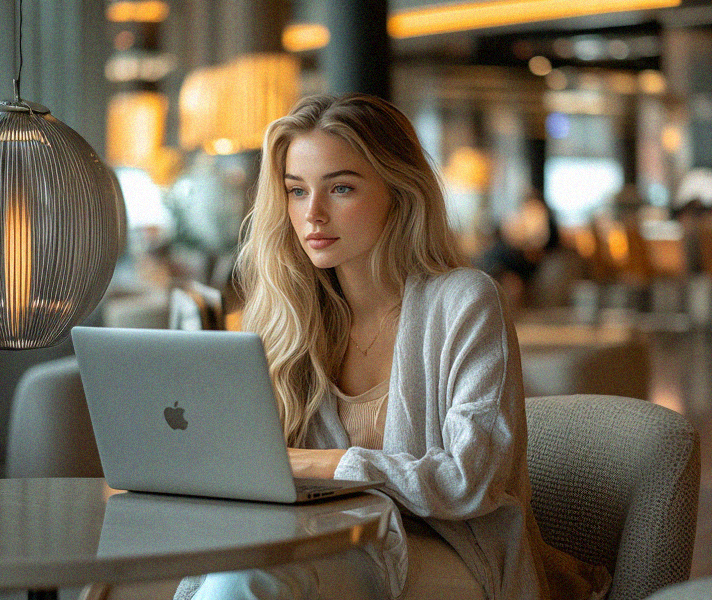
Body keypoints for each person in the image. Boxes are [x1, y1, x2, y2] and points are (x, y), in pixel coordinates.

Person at [175, 94, 610, 600]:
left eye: (341, 188)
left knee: (250, 580)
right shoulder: (290, 320)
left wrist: (321, 464)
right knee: (234, 572)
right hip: (330, 543)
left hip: (458, 556)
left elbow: (470, 479)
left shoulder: (465, 301)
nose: (313, 213)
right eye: (296, 191)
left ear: (398, 191)